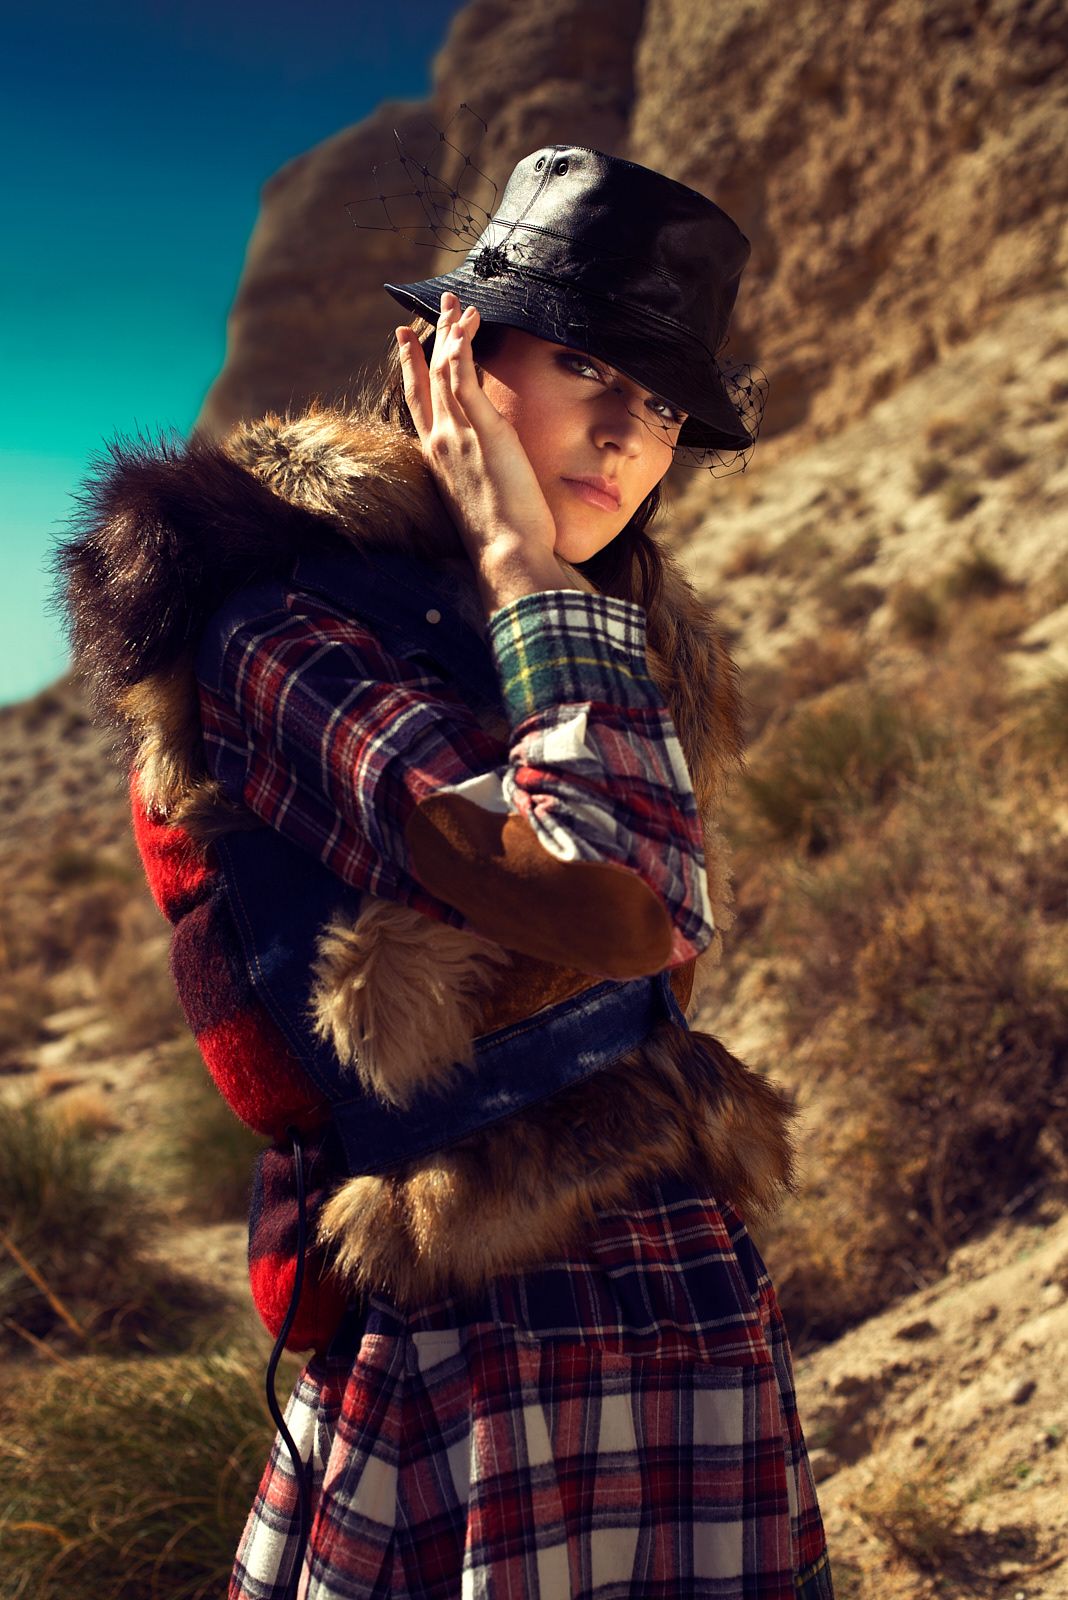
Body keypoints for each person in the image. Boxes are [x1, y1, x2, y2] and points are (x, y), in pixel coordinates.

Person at [61, 144, 832, 1600]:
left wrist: (532, 583)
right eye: (587, 367)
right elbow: (617, 904)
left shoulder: (586, 625)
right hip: (470, 1317)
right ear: (453, 363)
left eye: (666, 405)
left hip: (683, 1271)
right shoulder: (280, 631)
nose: (628, 434)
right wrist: (523, 561)